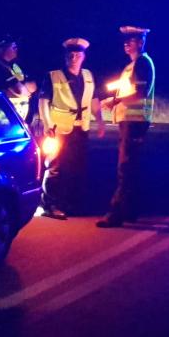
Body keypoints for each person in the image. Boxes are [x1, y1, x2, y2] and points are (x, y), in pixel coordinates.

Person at [36, 37, 107, 219]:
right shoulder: (53, 76)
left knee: (77, 167)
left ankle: (72, 203)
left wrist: (100, 120)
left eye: (78, 55)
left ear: (84, 57)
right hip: (59, 129)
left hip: (81, 129)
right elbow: (43, 101)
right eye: (71, 55)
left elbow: (93, 100)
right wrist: (47, 124)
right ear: (65, 56)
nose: (74, 58)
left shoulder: (88, 76)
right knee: (55, 167)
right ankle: (50, 205)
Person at [97, 25, 156, 228]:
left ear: (140, 42)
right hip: (131, 121)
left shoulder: (142, 63)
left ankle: (116, 214)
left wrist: (114, 101)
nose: (125, 44)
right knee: (131, 167)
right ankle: (130, 210)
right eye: (125, 40)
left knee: (126, 167)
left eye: (130, 40)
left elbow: (140, 93)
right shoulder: (133, 65)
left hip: (135, 122)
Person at [0, 35, 37, 123]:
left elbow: (34, 86)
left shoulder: (14, 66)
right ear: (1, 50)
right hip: (4, 119)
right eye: (13, 47)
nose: (16, 49)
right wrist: (26, 89)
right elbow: (20, 91)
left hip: (15, 118)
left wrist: (25, 88)